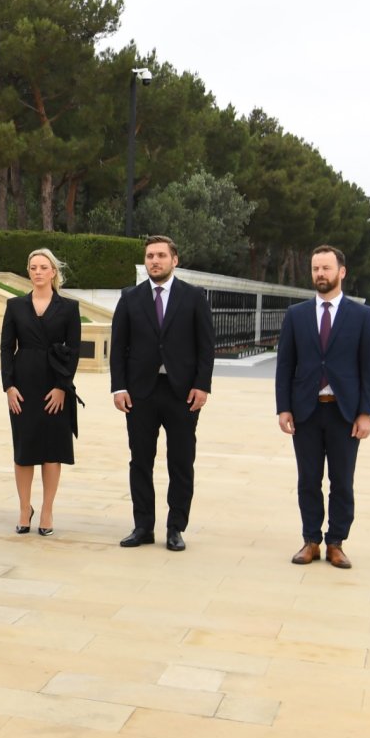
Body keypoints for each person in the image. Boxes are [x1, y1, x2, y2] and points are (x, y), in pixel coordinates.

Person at [276, 244, 370, 570]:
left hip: (343, 412)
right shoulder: (296, 315)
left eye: (326, 268)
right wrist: (283, 408)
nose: (320, 274)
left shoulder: (361, 316)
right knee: (308, 480)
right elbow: (285, 365)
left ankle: (336, 543)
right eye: (316, 268)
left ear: (341, 272)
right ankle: (311, 540)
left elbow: (369, 368)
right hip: (305, 411)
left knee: (342, 481)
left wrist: (366, 413)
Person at [109, 235, 215, 552]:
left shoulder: (193, 297)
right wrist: (119, 387)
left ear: (174, 260)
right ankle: (143, 526)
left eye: (161, 255)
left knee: (180, 462)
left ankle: (175, 528)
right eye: (150, 256)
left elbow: (206, 346)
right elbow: (118, 346)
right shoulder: (130, 297)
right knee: (140, 461)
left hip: (182, 393)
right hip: (140, 393)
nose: (154, 261)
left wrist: (202, 385)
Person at [0, 248, 81, 537]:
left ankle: (47, 510)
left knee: (52, 450)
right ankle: (25, 508)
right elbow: (6, 348)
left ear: (53, 272)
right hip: (22, 386)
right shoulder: (15, 306)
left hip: (55, 385)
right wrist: (8, 386)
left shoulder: (69, 308)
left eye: (43, 267)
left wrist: (62, 387)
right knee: (24, 450)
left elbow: (74, 351)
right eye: (33, 267)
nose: (38, 272)